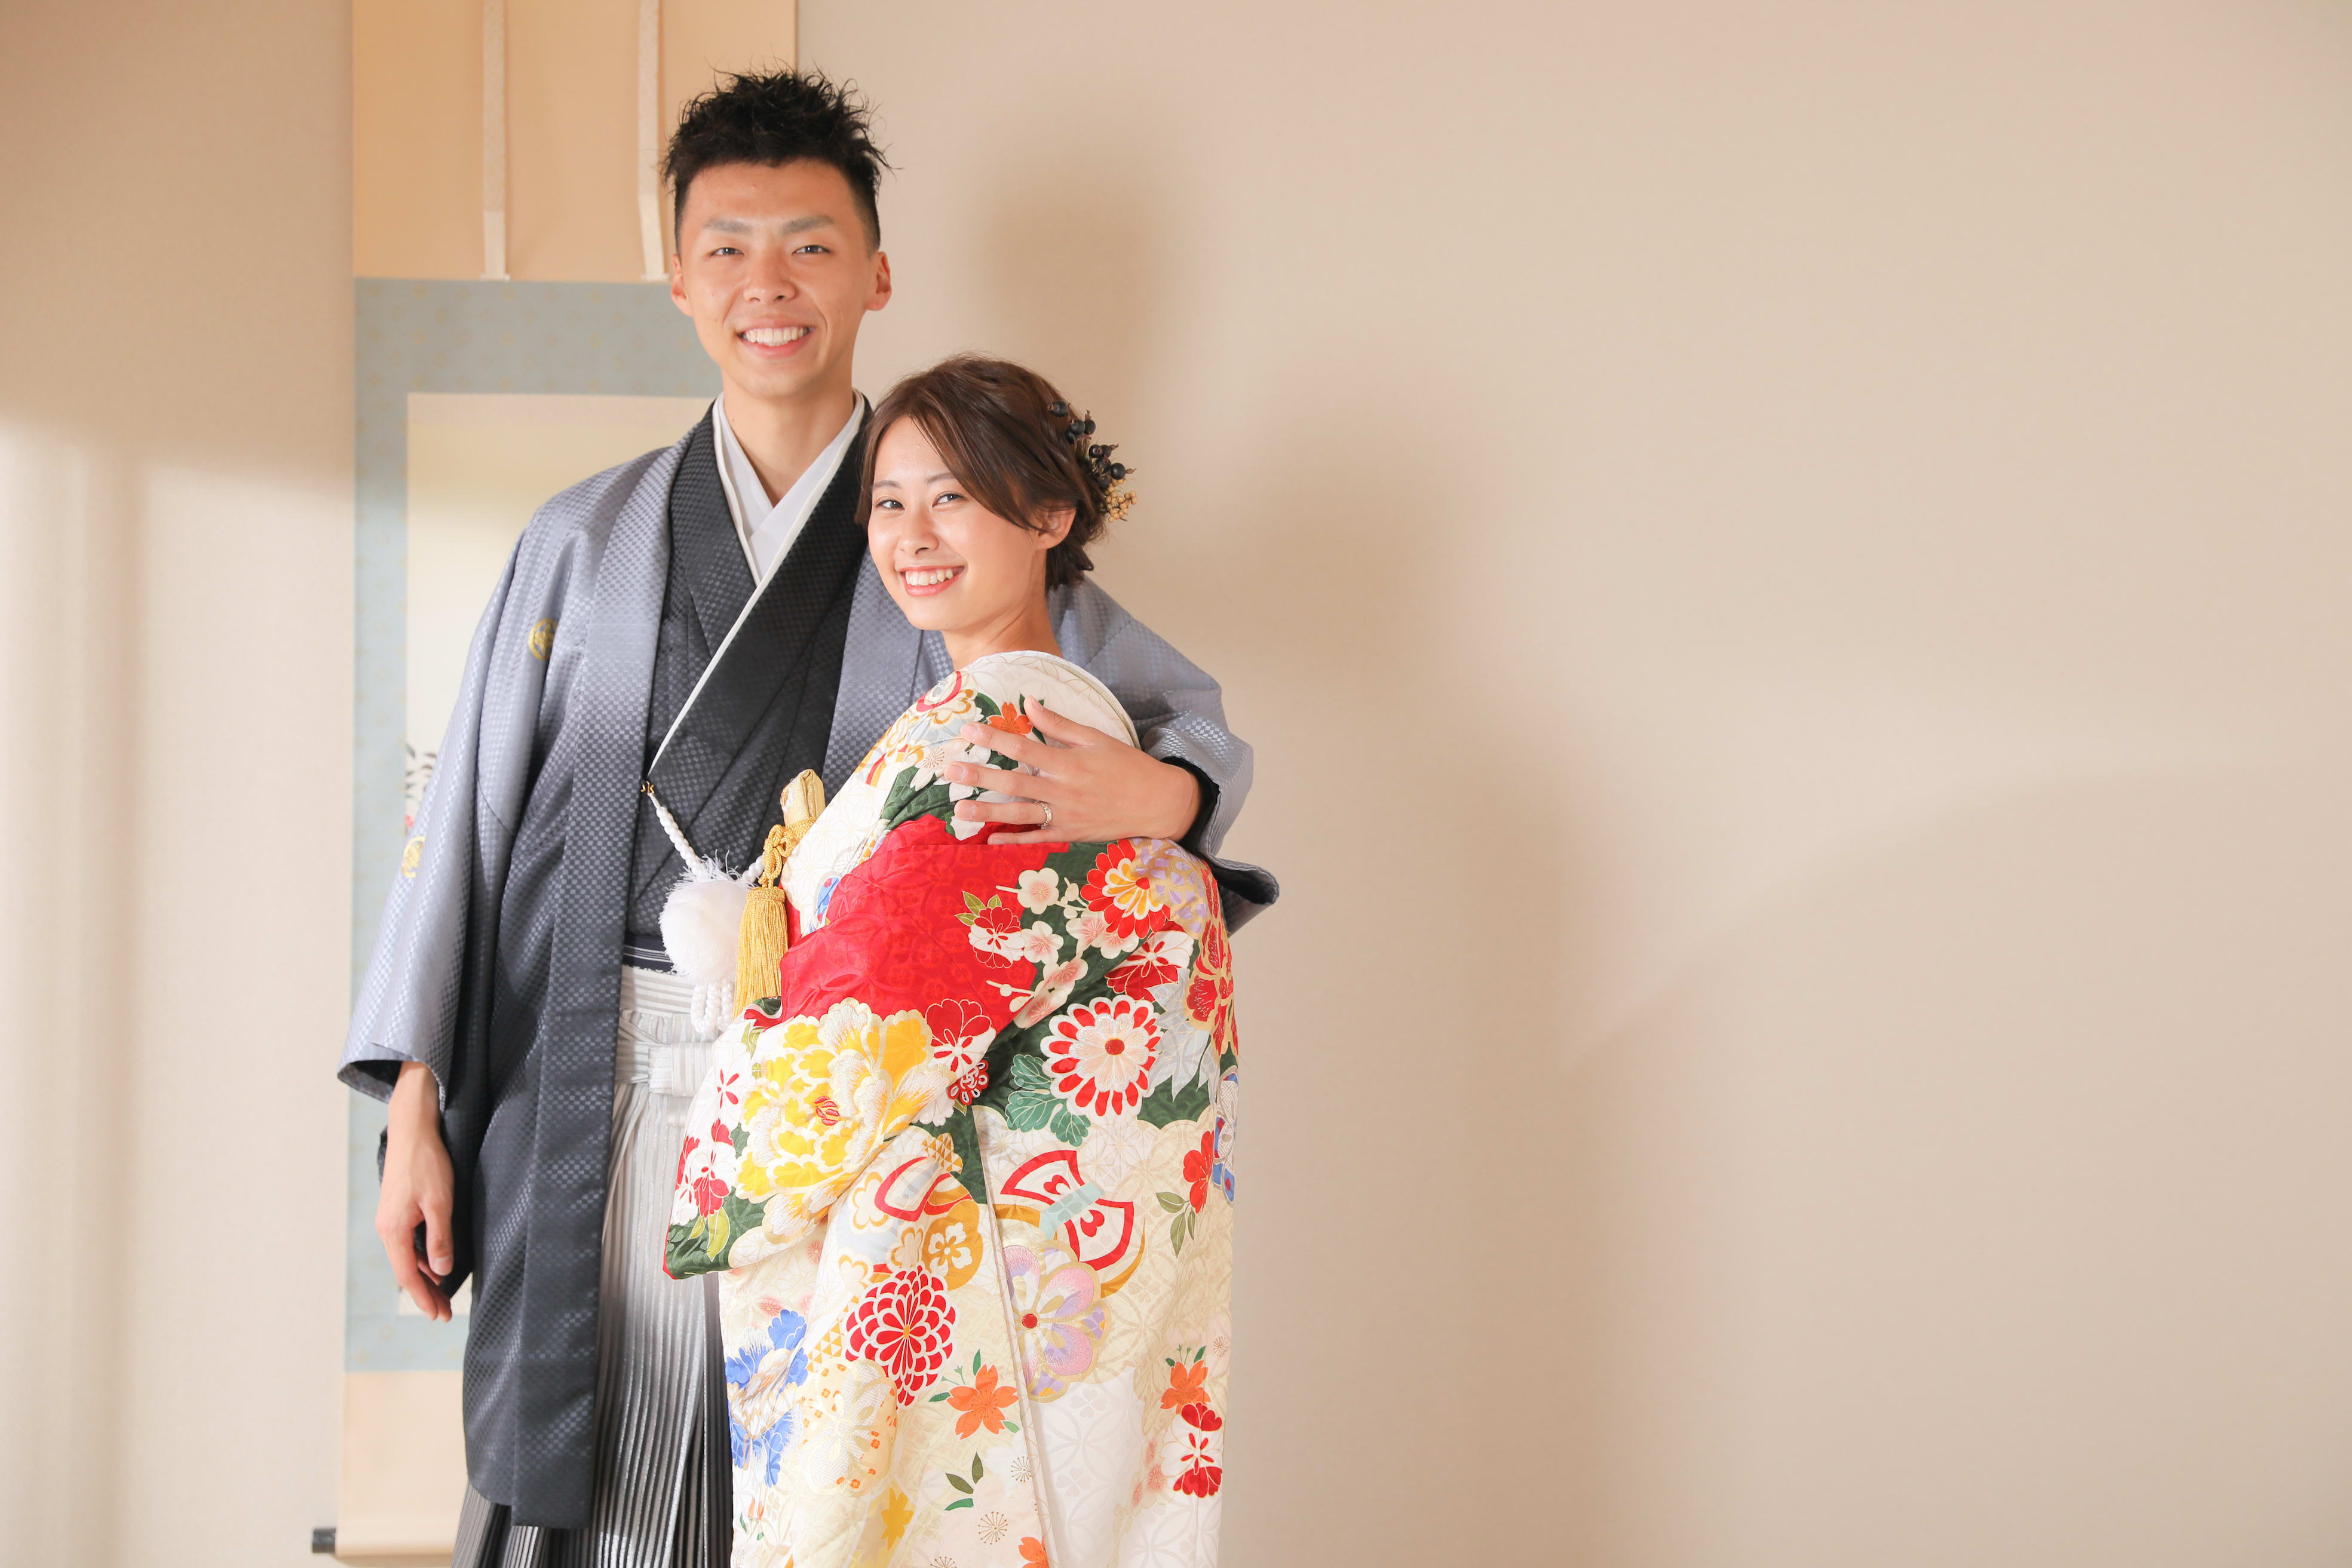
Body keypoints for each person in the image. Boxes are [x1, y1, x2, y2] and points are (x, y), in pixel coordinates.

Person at [339, 71, 1274, 1567]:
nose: (767, 285)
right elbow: (463, 823)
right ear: (679, 281)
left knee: (809, 1483)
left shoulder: (947, 526)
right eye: (727, 248)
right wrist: (412, 1105)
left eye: (811, 245)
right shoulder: (579, 539)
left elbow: (1178, 731)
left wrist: (1167, 790)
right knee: (597, 1473)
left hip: (842, 1113)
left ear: (877, 274)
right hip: (593, 1078)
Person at [669, 354, 1240, 1568]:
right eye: (889, 501)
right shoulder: (1022, 723)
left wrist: (721, 1133)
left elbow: (867, 1023)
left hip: (955, 1278)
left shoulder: (998, 738)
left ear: (1049, 516)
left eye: (953, 498)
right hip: (1030, 1271)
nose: (911, 536)